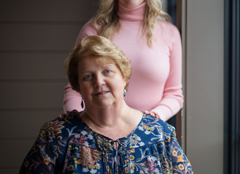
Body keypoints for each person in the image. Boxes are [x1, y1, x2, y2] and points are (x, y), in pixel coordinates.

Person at [20, 36, 193, 173]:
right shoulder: (56, 137)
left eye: (107, 72)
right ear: (78, 86)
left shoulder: (160, 135)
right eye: (88, 76)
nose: (99, 82)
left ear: (124, 77)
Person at [63, 0, 183, 121]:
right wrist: (75, 120)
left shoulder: (169, 33)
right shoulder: (94, 30)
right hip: (98, 129)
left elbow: (175, 94)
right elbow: (74, 87)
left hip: (149, 130)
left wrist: (153, 119)